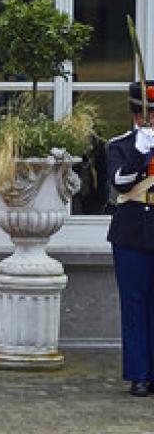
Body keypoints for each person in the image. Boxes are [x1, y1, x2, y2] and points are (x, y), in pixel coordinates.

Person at [106, 80, 154, 397]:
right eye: (145, 116)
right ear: (137, 116)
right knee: (135, 304)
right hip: (133, 228)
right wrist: (140, 154)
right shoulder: (121, 145)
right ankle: (140, 374)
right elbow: (119, 183)